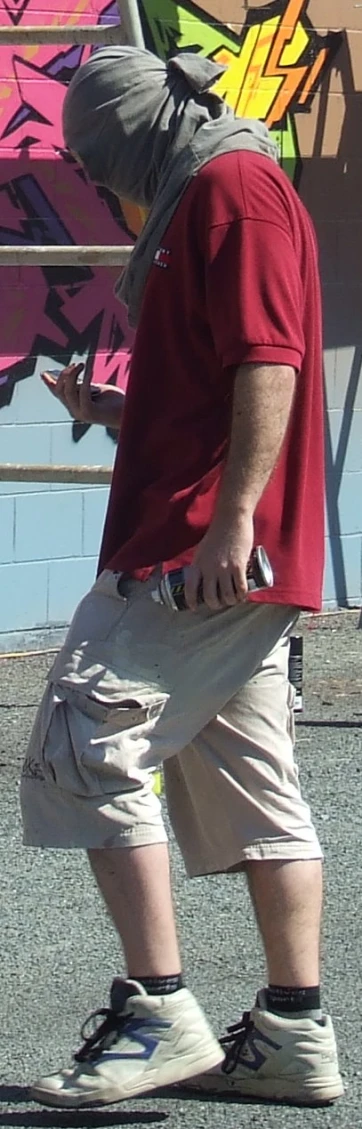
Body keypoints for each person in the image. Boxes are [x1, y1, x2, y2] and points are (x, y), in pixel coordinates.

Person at [21, 45, 343, 1108]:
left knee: (84, 736)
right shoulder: (211, 190)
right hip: (223, 551)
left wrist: (231, 523)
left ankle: (156, 1006)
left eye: (98, 168)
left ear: (131, 141)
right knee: (253, 786)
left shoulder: (229, 190)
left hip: (202, 554)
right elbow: (223, 378)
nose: (106, 196)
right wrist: (115, 412)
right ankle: (292, 1033)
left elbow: (269, 362)